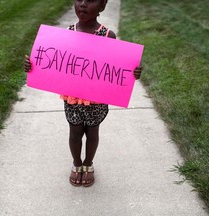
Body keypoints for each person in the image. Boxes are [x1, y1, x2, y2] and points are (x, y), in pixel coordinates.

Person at [24, 0, 143, 187]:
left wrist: (132, 73)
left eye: (90, 0)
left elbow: (116, 67)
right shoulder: (67, 34)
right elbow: (53, 61)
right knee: (75, 133)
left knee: (92, 132)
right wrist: (33, 66)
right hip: (72, 98)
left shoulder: (107, 35)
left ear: (103, 5)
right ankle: (76, 163)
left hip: (96, 99)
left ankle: (88, 164)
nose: (83, 4)